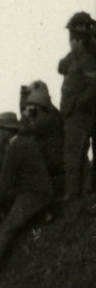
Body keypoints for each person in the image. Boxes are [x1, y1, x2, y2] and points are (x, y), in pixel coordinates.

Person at [0, 109, 54, 274]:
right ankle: (44, 214)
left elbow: (5, 181)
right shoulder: (23, 142)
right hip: (36, 191)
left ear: (6, 131)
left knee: (6, 227)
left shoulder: (16, 146)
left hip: (34, 195)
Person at [58, 11, 96, 200]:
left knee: (74, 155)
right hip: (72, 114)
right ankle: (79, 192)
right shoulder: (75, 57)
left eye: (72, 39)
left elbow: (93, 88)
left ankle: (74, 193)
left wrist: (75, 104)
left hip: (80, 115)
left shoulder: (88, 59)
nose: (70, 42)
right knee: (74, 154)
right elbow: (61, 66)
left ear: (79, 41)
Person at [19, 80, 65, 199]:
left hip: (51, 159)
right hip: (50, 158)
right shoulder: (49, 112)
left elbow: (24, 131)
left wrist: (25, 115)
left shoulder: (49, 115)